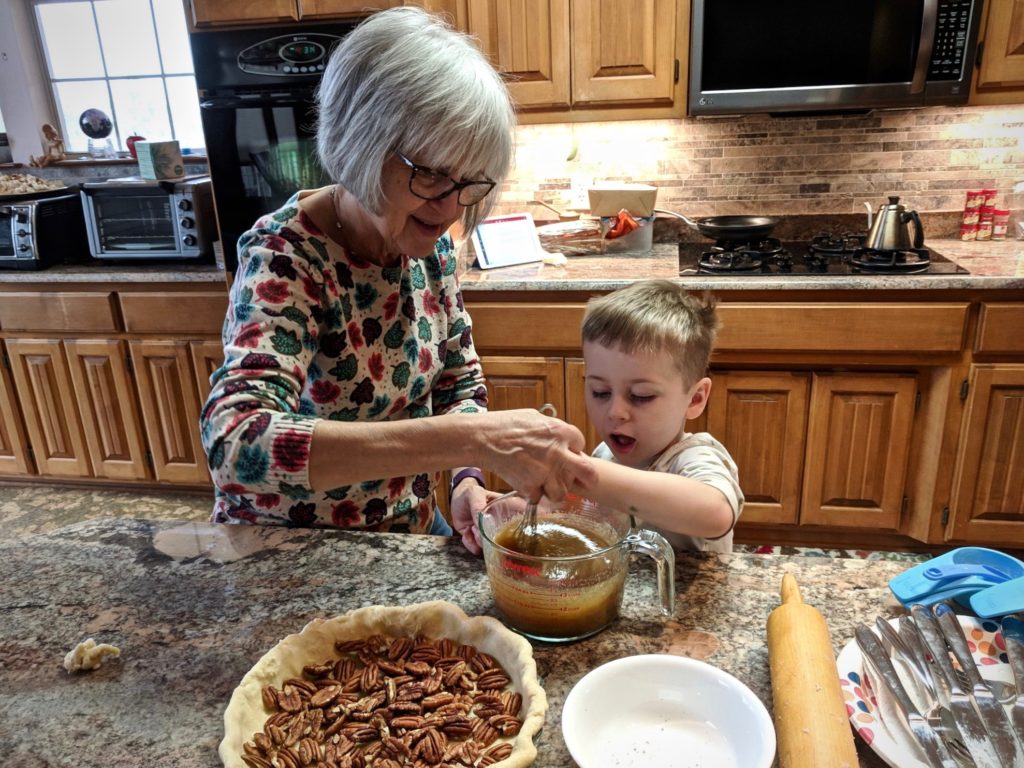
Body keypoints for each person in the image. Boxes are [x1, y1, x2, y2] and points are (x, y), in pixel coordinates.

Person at [199, 7, 594, 546]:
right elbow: (237, 443)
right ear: (361, 140)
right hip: (290, 552)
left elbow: (458, 381)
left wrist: (466, 480)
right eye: (430, 173)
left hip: (405, 532)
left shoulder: (427, 247)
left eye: (470, 182)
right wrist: (472, 439)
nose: (452, 205)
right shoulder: (287, 258)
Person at [574, 280, 744, 552]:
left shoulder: (692, 458)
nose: (615, 413)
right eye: (600, 392)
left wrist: (588, 477)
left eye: (641, 396)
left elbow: (716, 513)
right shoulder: (604, 456)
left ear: (696, 398)